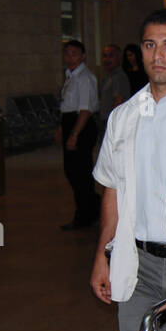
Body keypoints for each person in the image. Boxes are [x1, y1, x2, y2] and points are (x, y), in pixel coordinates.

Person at [92, 10, 166, 331]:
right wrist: (101, 256)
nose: (158, 55)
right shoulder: (124, 117)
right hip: (137, 262)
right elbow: (112, 188)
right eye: (150, 45)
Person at [58, 39, 100, 229]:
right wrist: (62, 128)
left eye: (74, 54)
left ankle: (85, 215)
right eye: (67, 54)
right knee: (73, 172)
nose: (69, 58)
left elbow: (85, 109)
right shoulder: (71, 76)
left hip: (81, 124)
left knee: (80, 172)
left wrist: (74, 134)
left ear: (83, 56)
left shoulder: (85, 78)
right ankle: (91, 209)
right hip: (71, 122)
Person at [98, 43, 132, 133]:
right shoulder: (106, 77)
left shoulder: (119, 77)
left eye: (111, 56)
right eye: (104, 56)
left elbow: (118, 102)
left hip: (113, 124)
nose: (107, 59)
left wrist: (112, 126)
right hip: (105, 121)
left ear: (119, 58)